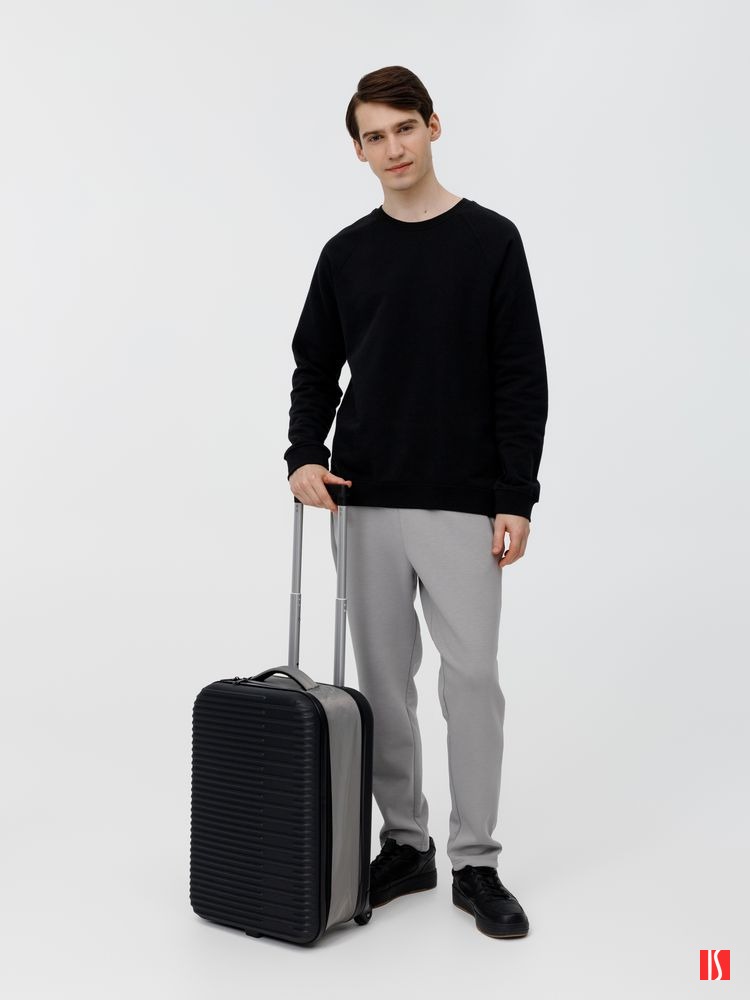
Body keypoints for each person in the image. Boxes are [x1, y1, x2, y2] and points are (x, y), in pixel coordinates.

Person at [283, 65, 548, 939]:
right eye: (374, 136)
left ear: (434, 125)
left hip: (465, 501)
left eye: (404, 128)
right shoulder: (345, 254)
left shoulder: (492, 241)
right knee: (384, 687)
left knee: (472, 680)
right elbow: (314, 365)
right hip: (363, 499)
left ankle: (476, 861)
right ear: (358, 151)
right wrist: (304, 455)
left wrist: (516, 496)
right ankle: (406, 845)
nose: (392, 148)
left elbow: (521, 376)